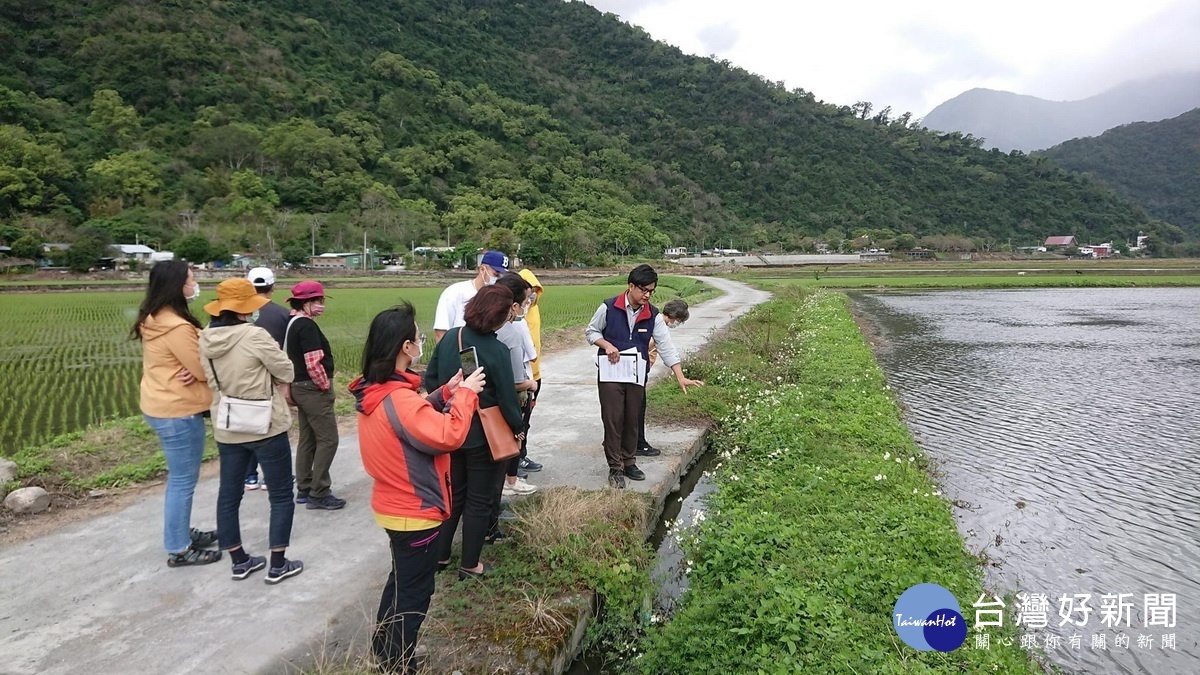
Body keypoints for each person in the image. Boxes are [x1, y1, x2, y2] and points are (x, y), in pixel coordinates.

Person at [350, 303, 485, 674]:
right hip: (415, 511)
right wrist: (466, 395)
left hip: (393, 505)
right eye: (418, 337)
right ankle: (398, 664)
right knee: (414, 594)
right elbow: (448, 435)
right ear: (405, 347)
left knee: (400, 582)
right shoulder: (398, 398)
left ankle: (385, 649)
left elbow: (408, 420)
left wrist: (444, 393)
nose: (421, 342)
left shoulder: (376, 390)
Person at [199, 279, 303, 584]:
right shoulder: (254, 336)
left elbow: (210, 379)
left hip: (228, 425)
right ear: (245, 308)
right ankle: (278, 564)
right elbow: (286, 371)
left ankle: (239, 560)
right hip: (265, 425)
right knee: (281, 494)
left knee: (228, 496)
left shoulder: (205, 338)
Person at [424, 285, 524, 579]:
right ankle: (470, 564)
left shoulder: (450, 339)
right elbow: (507, 399)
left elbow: (431, 378)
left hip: (448, 431)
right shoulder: (497, 350)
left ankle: (440, 557)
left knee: (453, 497)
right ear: (498, 316)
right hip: (482, 436)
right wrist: (518, 427)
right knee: (479, 500)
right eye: (508, 313)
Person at [131, 260, 221, 567]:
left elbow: (191, 364)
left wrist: (191, 366)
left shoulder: (153, 318)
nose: (194, 285)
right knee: (183, 481)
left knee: (180, 479)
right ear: (176, 286)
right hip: (178, 409)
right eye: (191, 279)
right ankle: (179, 547)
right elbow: (201, 368)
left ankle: (180, 532)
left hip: (159, 403)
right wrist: (196, 367)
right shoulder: (177, 326)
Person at [585, 265, 703, 489]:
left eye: (651, 291)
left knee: (632, 419)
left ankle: (629, 461)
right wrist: (606, 344)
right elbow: (591, 332)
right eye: (643, 290)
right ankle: (615, 467)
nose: (647, 295)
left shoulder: (654, 315)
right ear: (631, 286)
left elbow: (666, 346)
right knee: (613, 419)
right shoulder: (609, 307)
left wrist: (680, 376)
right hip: (610, 373)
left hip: (636, 373)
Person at [284, 280, 344, 510]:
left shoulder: (291, 323)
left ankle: (305, 487)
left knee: (308, 438)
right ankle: (320, 491)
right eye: (317, 301)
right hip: (311, 387)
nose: (320, 305)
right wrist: (324, 387)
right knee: (329, 439)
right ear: (306, 303)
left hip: (298, 386)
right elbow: (313, 362)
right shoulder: (306, 326)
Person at [243, 266, 291, 491]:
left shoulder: (237, 313)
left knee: (247, 427)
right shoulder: (282, 314)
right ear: (272, 287)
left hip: (242, 379)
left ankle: (250, 476)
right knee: (272, 428)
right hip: (273, 379)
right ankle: (270, 478)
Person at [494, 273, 538, 499]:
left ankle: (508, 480)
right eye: (525, 301)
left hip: (491, 399)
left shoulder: (479, 327)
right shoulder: (510, 331)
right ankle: (508, 482)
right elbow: (516, 379)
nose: (526, 306)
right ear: (513, 305)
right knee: (513, 437)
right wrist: (530, 384)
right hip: (510, 397)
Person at [637, 298, 690, 457]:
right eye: (679, 321)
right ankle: (638, 444)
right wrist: (680, 376)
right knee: (638, 408)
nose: (677, 324)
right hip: (635, 370)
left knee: (633, 407)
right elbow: (663, 348)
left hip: (639, 370)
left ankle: (626, 441)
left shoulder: (655, 321)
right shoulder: (657, 323)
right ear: (674, 317)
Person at [432, 250, 509, 343]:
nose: (498, 279)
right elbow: (441, 333)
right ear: (482, 269)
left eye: (501, 276)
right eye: (496, 274)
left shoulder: (500, 299)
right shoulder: (454, 292)